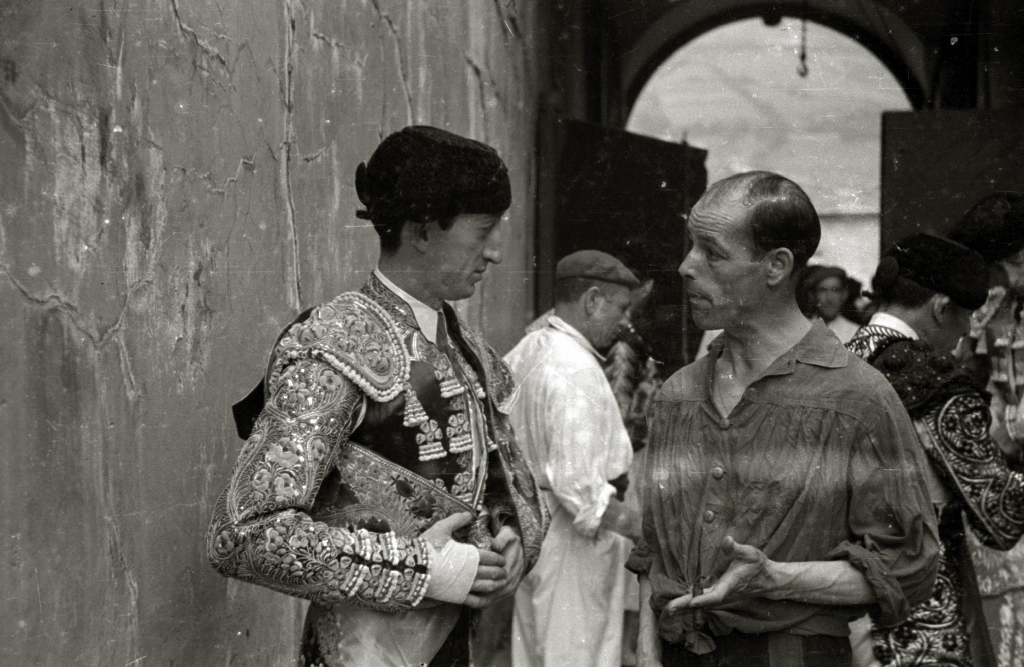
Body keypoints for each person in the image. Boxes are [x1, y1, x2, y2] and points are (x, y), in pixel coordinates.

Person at [206, 126, 548, 667]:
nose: (497, 252)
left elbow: (509, 490)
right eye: (483, 230)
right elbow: (244, 533)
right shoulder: (337, 343)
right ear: (421, 231)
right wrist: (422, 571)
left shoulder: (468, 349)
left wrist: (508, 539)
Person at [628, 171, 941, 666]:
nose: (687, 266)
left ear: (776, 266)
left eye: (712, 253)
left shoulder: (857, 398)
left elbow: (909, 564)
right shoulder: (678, 395)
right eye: (691, 246)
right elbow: (654, 551)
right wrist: (647, 654)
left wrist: (776, 579)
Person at [846, 233, 1024, 666]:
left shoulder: (837, 358)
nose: (966, 333)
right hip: (917, 619)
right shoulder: (935, 382)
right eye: (966, 317)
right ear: (942, 308)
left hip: (836, 611)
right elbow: (1001, 515)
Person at [505, 250, 642, 666]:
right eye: (621, 308)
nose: (625, 322)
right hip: (572, 544)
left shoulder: (528, 348)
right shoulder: (573, 367)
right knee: (576, 655)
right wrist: (645, 530)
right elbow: (580, 489)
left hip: (535, 530)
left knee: (538, 653)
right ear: (592, 300)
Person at [949, 192, 1024, 665]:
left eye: (1017, 262)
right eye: (1003, 267)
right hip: (1008, 468)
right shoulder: (995, 307)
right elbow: (978, 381)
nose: (1011, 278)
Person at [802, 265, 862, 343]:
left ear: (844, 295)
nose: (829, 298)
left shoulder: (856, 334)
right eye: (822, 290)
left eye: (835, 290)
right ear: (812, 296)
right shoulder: (801, 329)